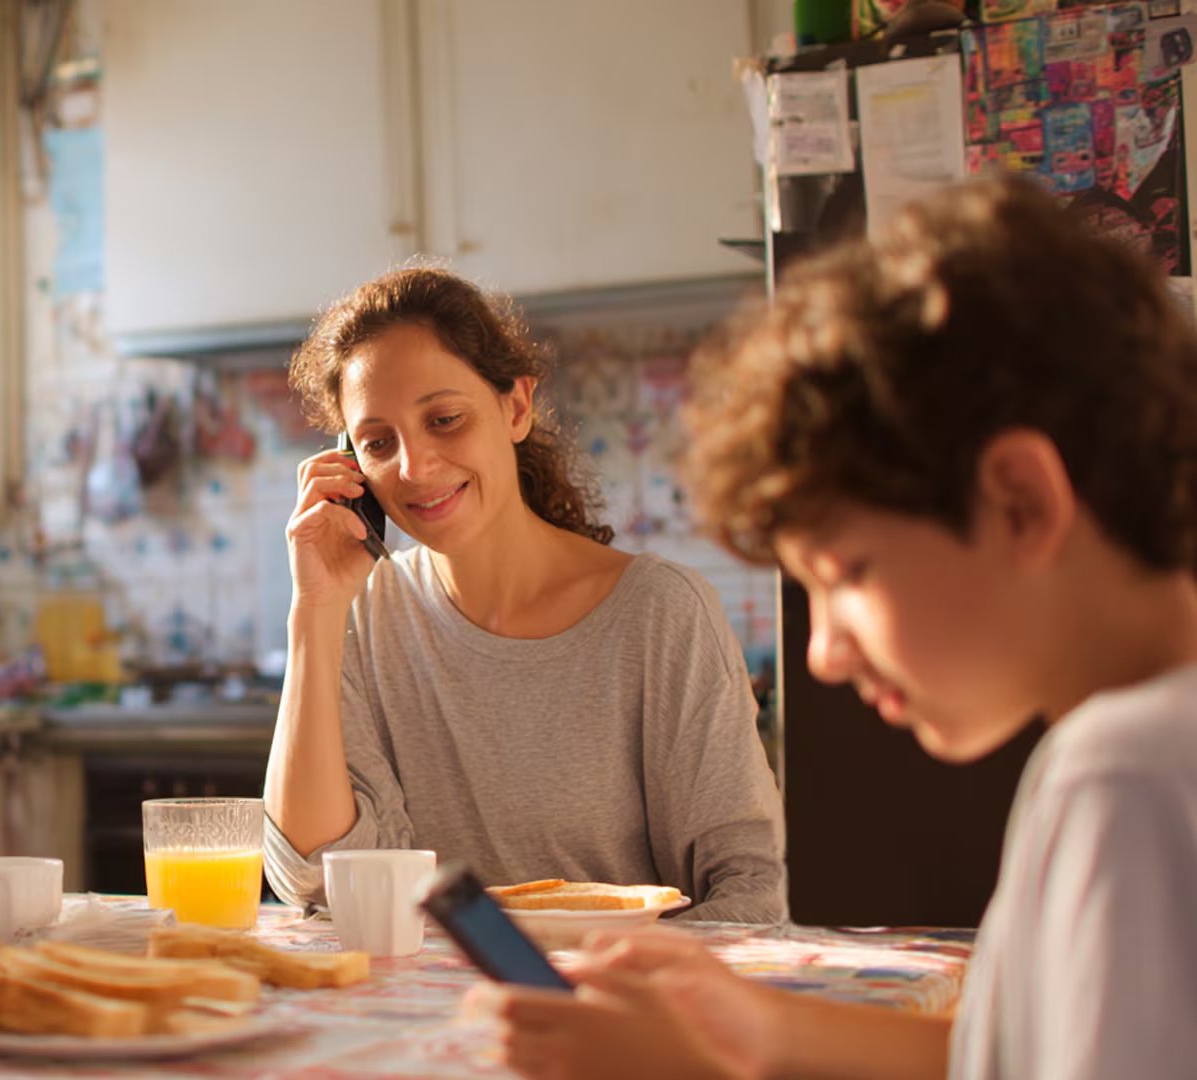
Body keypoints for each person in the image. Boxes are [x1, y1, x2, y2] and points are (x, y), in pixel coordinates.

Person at [472, 176, 1197, 1079]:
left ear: (1019, 502)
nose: (824, 653)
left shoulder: (1133, 775)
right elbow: (1004, 1061)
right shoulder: (1129, 742)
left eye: (848, 573)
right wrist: (762, 1032)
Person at [263, 267, 786, 923]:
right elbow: (313, 879)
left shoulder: (661, 612)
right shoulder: (358, 612)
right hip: (425, 1015)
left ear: (515, 407)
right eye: (377, 442)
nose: (414, 467)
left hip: (613, 1010)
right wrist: (313, 611)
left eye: (445, 420)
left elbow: (752, 889)